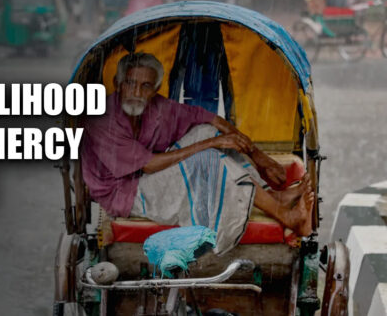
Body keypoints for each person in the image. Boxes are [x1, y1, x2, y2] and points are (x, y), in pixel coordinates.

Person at [81, 53, 314, 253]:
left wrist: (259, 157)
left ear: (155, 90)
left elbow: (212, 119)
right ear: (117, 83)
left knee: (205, 131)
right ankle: (285, 215)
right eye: (130, 83)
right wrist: (212, 143)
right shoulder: (102, 119)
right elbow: (149, 164)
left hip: (147, 177)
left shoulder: (157, 108)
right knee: (208, 156)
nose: (137, 93)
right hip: (125, 193)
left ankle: (270, 196)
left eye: (145, 86)